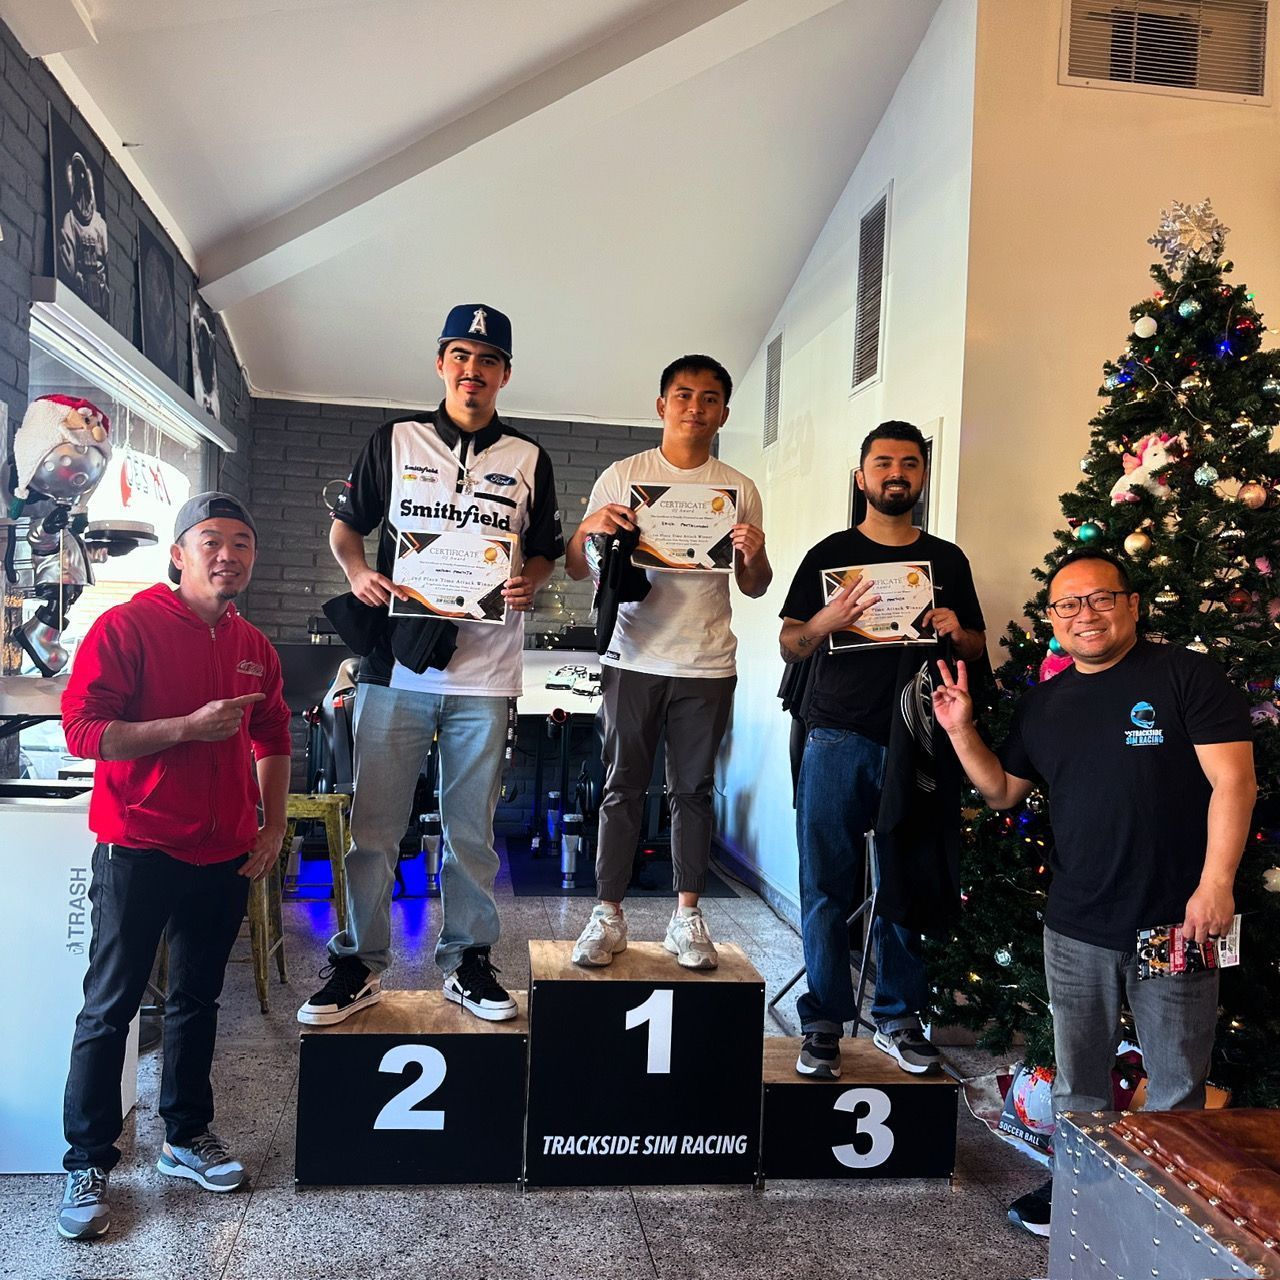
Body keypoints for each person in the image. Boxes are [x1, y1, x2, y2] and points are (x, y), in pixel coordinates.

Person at [932, 549, 1255, 1238]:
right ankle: (1080, 1187)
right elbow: (1000, 791)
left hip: (1182, 922)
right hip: (1077, 926)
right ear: (1052, 619)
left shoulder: (1184, 674)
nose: (1086, 614)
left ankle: (1168, 1209)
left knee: (1174, 1083)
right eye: (1068, 604)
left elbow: (1235, 782)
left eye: (1101, 598)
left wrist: (1215, 885)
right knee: (1079, 1081)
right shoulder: (1047, 703)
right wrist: (962, 731)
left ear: (1132, 604)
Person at [299, 304, 563, 1026]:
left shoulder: (528, 458)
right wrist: (357, 574)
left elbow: (542, 546)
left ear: (504, 373)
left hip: (486, 673)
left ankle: (467, 960)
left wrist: (532, 577)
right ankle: (357, 962)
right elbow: (347, 529)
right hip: (397, 671)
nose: (472, 370)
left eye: (487, 359)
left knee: (472, 830)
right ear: (441, 363)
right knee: (376, 829)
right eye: (460, 356)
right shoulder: (395, 440)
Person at [57, 492, 291, 1241]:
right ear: (180, 553)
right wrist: (184, 730)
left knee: (197, 1001)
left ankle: (186, 1139)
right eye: (212, 540)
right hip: (138, 846)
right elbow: (84, 732)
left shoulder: (255, 643)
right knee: (111, 1006)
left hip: (222, 852)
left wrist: (273, 822)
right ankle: (87, 1158)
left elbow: (273, 737)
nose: (229, 555)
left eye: (243, 544)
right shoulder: (126, 627)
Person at [779, 421, 985, 1078]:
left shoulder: (948, 561)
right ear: (861, 475)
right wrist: (825, 621)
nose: (896, 473)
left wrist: (960, 631)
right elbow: (790, 643)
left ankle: (898, 1016)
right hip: (836, 735)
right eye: (883, 462)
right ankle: (824, 1021)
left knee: (907, 879)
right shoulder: (829, 552)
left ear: (922, 475)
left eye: (909, 463)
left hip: (920, 740)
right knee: (826, 884)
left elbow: (978, 648)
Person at [564, 354, 770, 969]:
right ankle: (608, 914)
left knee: (694, 791)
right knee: (621, 788)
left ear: (724, 413)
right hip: (633, 652)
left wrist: (753, 552)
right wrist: (587, 528)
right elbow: (578, 567)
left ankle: (687, 916)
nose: (695, 408)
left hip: (707, 660)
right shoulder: (624, 476)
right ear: (662, 406)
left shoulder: (739, 488)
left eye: (709, 399)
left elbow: (755, 586)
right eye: (683, 396)